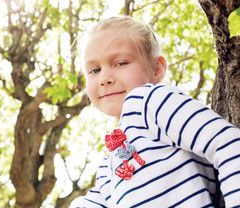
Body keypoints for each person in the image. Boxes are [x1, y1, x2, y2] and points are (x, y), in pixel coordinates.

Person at [75, 16, 240, 207]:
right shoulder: (109, 163)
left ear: (156, 69)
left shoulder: (149, 102)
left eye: (120, 63)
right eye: (94, 70)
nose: (104, 78)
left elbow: (227, 143)